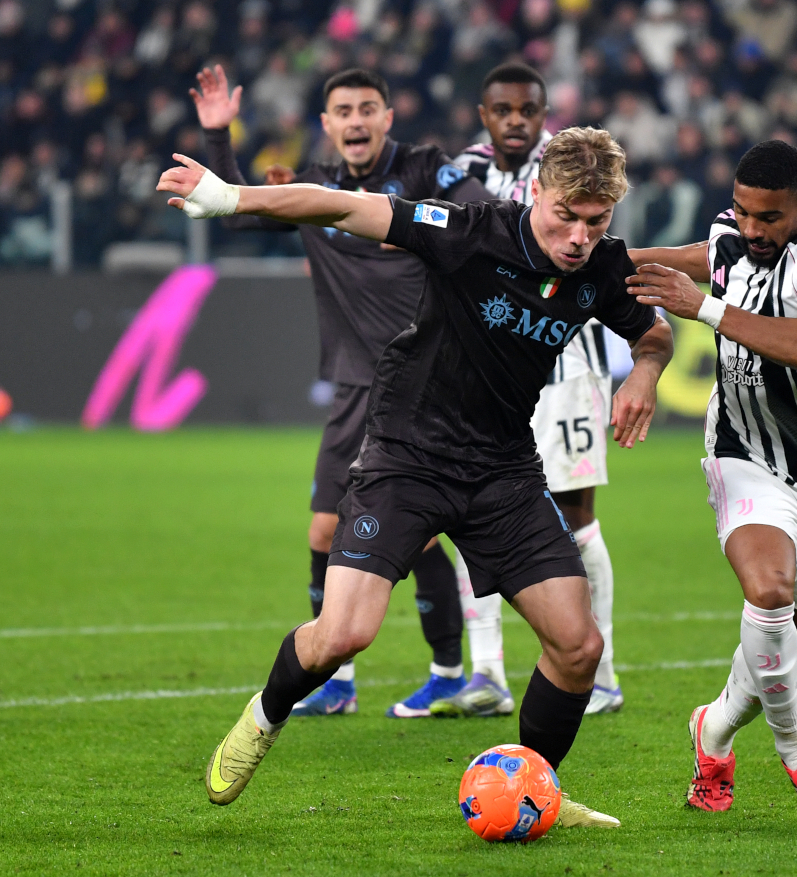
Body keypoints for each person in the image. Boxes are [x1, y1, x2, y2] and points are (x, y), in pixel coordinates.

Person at [157, 126, 674, 826]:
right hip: (407, 456)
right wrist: (228, 196)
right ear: (538, 194)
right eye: (567, 215)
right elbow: (341, 205)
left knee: (579, 646)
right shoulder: (467, 232)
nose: (580, 236)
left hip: (502, 471)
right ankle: (265, 714)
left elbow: (654, 331)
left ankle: (534, 787)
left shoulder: (604, 268)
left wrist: (643, 373)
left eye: (597, 221)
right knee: (343, 635)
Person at [189, 65, 492, 718]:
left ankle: (446, 671)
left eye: (367, 108)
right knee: (325, 529)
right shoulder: (316, 189)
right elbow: (237, 212)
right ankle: (336, 677)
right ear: (326, 126)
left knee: (421, 534)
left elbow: (482, 215)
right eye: (343, 111)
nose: (355, 120)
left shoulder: (424, 171)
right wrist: (219, 138)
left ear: (388, 116)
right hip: (356, 389)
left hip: (424, 388)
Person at [627, 140, 797, 825]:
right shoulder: (735, 238)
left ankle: (714, 729)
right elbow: (699, 259)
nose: (752, 229)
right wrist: (620, 257)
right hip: (743, 450)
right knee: (768, 590)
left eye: (768, 217)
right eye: (743, 212)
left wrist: (701, 308)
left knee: (783, 631)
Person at [415, 62, 624, 720]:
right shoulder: (458, 172)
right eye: (503, 110)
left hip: (569, 368)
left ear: (542, 115)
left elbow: (603, 253)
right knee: (466, 516)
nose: (515, 121)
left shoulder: (571, 168)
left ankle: (603, 669)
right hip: (487, 370)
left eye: (527, 110)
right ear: (484, 114)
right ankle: (486, 672)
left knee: (576, 515)